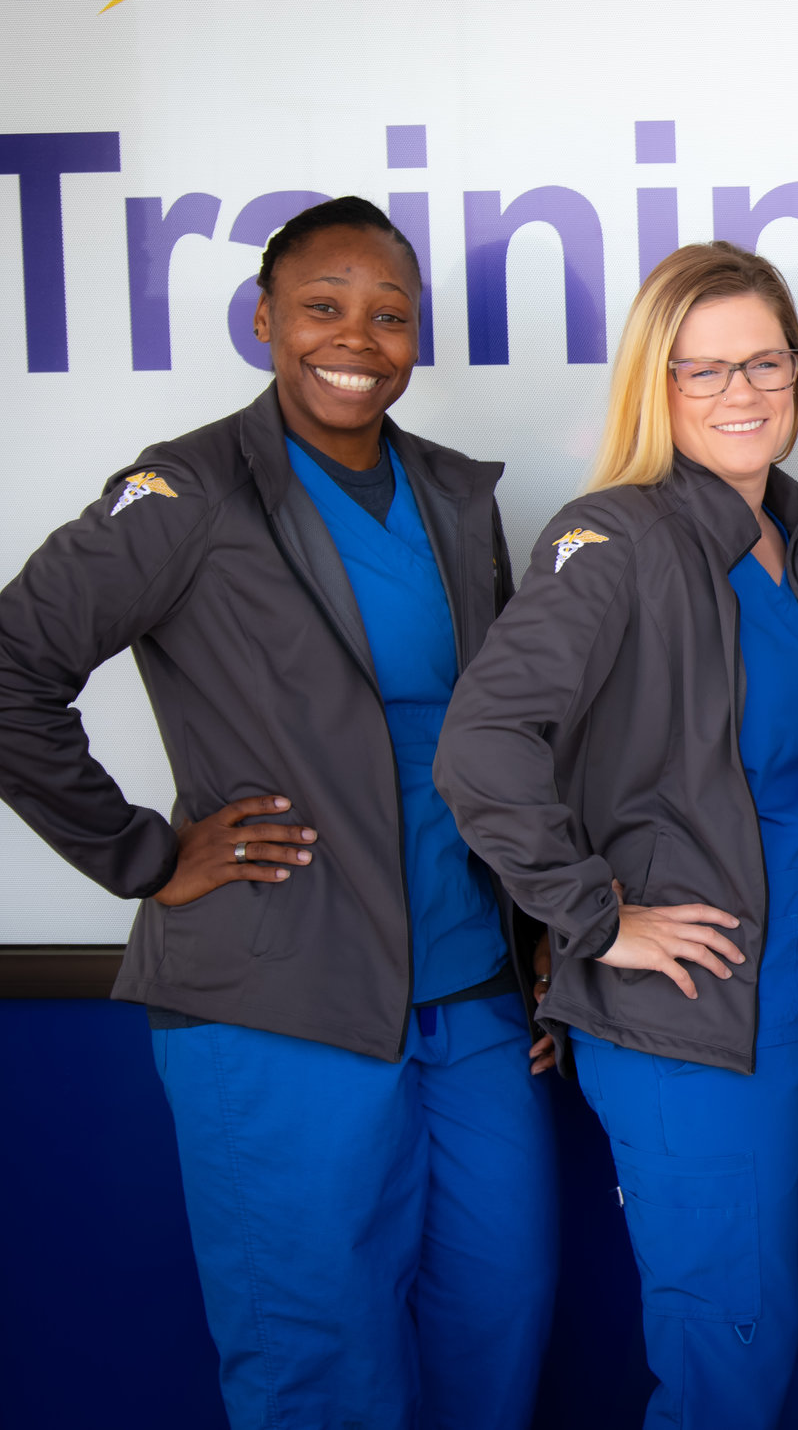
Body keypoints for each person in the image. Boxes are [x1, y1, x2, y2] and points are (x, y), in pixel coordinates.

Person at [0, 196, 556, 1427]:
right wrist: (141, 853)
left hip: (468, 994)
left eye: (388, 314)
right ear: (264, 321)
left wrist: (541, 938)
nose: (356, 336)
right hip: (279, 992)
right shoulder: (189, 490)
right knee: (320, 1363)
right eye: (322, 306)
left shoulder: (458, 497)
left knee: (496, 1324)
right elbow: (10, 666)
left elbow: (510, 735)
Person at [435, 242, 798, 1430]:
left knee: (783, 1349)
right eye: (703, 370)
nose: (740, 392)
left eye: (763, 361)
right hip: (690, 1028)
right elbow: (482, 747)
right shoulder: (616, 539)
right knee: (724, 1367)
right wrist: (593, 916)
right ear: (657, 383)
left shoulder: (792, 542)